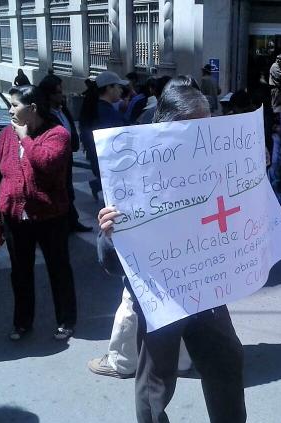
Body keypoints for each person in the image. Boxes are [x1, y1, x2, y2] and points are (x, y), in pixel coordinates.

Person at [97, 85, 247, 423]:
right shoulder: (132, 171)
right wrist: (109, 235)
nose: (202, 136)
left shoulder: (218, 165)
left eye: (206, 125)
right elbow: (109, 263)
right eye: (192, 127)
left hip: (206, 291)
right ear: (164, 127)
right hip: (159, 298)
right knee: (155, 383)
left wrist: (250, 175)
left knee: (227, 361)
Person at [88, 76, 200, 381]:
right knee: (140, 298)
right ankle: (152, 360)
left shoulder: (207, 147)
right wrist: (113, 225)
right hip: (155, 244)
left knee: (152, 300)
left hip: (185, 246)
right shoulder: (145, 146)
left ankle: (125, 361)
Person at [0, 85, 77, 341]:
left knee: (58, 269)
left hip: (50, 215)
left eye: (15, 105)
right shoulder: (7, 133)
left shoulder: (57, 134)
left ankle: (66, 320)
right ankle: (22, 322)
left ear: (33, 108)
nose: (10, 110)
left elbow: (46, 163)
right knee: (20, 272)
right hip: (14, 216)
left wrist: (25, 138)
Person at [38, 74, 92, 233]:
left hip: (67, 157)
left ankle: (72, 222)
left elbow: (70, 127)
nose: (62, 95)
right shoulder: (44, 115)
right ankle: (61, 225)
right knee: (59, 192)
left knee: (68, 190)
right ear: (49, 95)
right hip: (55, 161)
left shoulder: (62, 109)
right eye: (58, 92)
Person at [79, 71, 128, 201]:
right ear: (109, 88)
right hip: (112, 166)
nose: (121, 91)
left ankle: (96, 185)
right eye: (118, 87)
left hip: (102, 164)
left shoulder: (96, 109)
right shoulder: (106, 113)